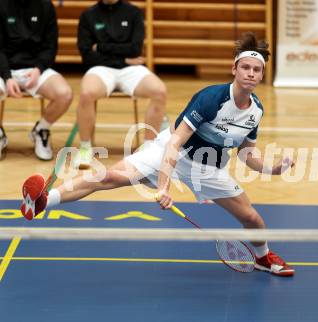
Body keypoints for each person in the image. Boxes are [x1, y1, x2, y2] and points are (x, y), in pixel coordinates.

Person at [20, 32, 295, 277]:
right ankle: (45, 200)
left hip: (208, 168)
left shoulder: (255, 111)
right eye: (245, 67)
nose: (250, 73)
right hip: (170, 150)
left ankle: (262, 258)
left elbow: (247, 155)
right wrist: (163, 186)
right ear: (234, 69)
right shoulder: (212, 98)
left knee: (252, 219)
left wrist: (274, 168)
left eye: (256, 69)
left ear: (261, 75)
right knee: (108, 177)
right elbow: (174, 144)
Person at [74, 0, 167, 169]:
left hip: (130, 69)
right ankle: (85, 148)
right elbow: (87, 55)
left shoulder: (133, 12)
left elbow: (135, 49)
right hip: (101, 68)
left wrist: (101, 47)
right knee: (87, 93)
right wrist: (122, 57)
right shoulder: (88, 15)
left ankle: (149, 149)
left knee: (159, 91)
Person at [0, 0, 73, 160]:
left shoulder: (46, 6)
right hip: (4, 68)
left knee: (65, 94)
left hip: (35, 70)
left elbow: (50, 46)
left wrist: (39, 68)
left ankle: (41, 129)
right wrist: (7, 76)